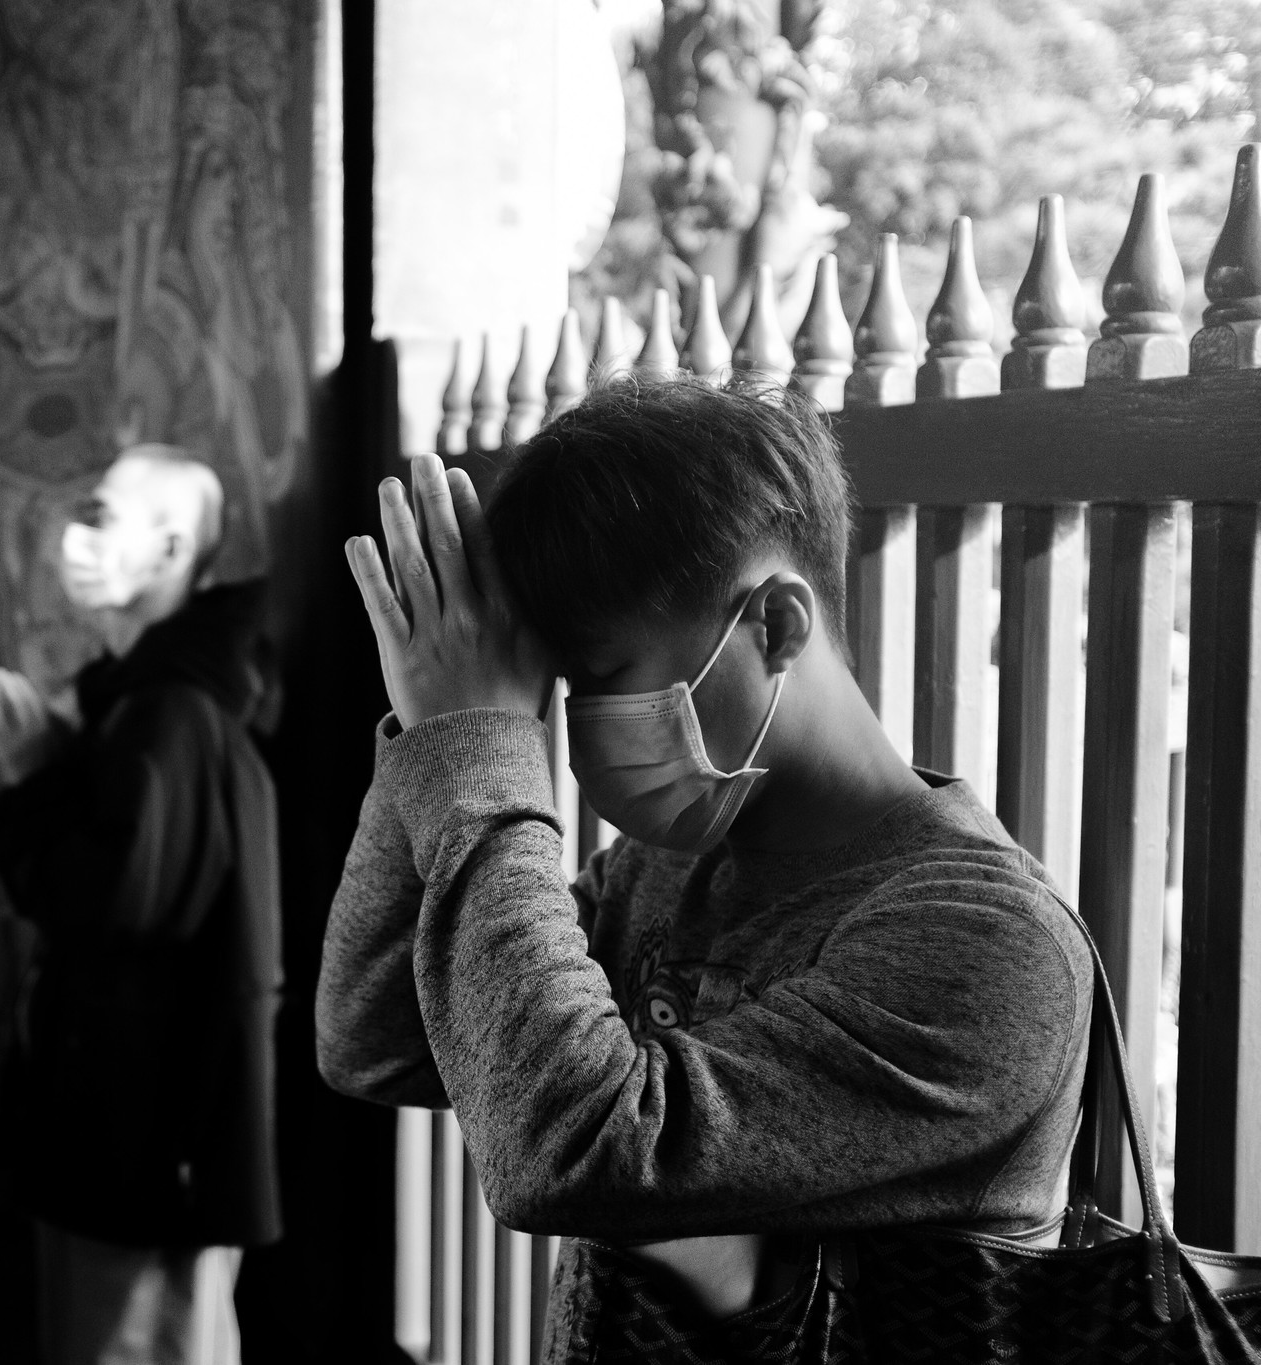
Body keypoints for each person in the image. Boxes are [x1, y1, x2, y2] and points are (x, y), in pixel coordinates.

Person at [318, 380, 1094, 1351]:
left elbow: (566, 1149)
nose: (563, 724)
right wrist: (429, 733)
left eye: (600, 676)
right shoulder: (661, 873)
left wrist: (474, 743)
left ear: (773, 624)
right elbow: (379, 1035)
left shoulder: (983, 944)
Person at [0, 445, 282, 1365]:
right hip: (120, 1118)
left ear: (168, 551)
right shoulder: (141, 700)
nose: (76, 536)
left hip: (149, 1134)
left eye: (102, 515)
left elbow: (108, 903)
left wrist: (33, 781)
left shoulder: (174, 716)